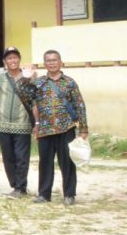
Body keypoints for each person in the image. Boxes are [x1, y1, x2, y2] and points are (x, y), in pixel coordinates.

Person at [18, 50, 88, 205]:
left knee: (67, 163)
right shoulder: (39, 82)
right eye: (48, 60)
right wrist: (25, 79)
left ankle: (69, 194)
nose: (52, 63)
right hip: (45, 129)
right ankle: (44, 194)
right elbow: (24, 97)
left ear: (60, 62)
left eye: (54, 60)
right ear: (45, 64)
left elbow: (79, 105)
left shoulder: (69, 82)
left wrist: (83, 129)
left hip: (66, 128)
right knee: (45, 163)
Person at [0, 46, 35, 198]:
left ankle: (21, 187)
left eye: (15, 57)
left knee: (22, 158)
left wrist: (29, 79)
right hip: (2, 125)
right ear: (4, 61)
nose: (12, 60)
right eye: (9, 58)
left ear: (19, 59)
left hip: (22, 124)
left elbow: (35, 100)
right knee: (8, 158)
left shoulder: (29, 76)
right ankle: (15, 186)